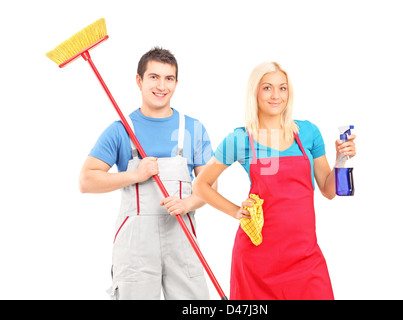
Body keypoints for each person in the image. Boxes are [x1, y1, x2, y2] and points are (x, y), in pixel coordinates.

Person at [193, 62, 356, 300]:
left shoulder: (307, 133)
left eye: (282, 88)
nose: (276, 96)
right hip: (258, 260)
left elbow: (328, 190)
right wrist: (236, 211)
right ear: (255, 92)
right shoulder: (241, 139)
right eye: (267, 88)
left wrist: (341, 157)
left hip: (305, 257)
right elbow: (200, 185)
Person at [79, 47, 214, 300]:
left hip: (182, 239)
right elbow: (86, 180)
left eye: (169, 78)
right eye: (153, 77)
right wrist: (135, 175)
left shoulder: (193, 129)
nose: (161, 86)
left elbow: (211, 188)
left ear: (176, 83)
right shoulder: (121, 130)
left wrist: (187, 203)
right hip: (135, 248)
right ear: (139, 80)